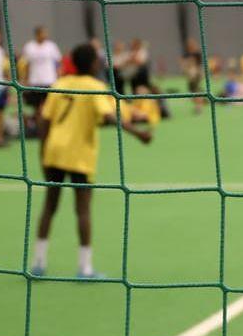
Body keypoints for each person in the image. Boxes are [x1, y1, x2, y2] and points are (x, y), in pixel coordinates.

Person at [31, 43, 152, 279]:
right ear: (93, 63)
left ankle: (38, 264)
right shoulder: (95, 87)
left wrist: (43, 153)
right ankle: (84, 268)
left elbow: (44, 120)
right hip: (79, 155)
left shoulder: (60, 84)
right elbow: (109, 116)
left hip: (54, 152)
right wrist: (139, 134)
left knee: (49, 206)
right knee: (83, 210)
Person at [19, 25, 62, 126]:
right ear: (37, 34)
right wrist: (25, 80)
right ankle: (39, 128)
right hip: (35, 82)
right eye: (43, 33)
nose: (45, 35)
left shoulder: (51, 46)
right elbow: (27, 65)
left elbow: (58, 63)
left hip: (50, 81)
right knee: (37, 107)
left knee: (50, 107)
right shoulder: (29, 47)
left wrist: (59, 78)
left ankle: (50, 127)